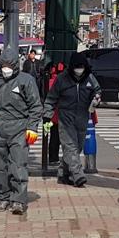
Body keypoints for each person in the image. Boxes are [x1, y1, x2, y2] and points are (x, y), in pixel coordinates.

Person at [0, 50, 42, 215]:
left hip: (19, 127)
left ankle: (18, 200)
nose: (6, 68)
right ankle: (2, 197)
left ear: (16, 66)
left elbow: (35, 106)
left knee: (18, 165)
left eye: (9, 65)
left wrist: (32, 127)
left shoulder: (26, 80)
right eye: (3, 65)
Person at [43, 53, 101, 187]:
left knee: (78, 146)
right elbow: (51, 98)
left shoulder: (90, 78)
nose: (79, 70)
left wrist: (96, 97)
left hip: (83, 116)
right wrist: (47, 116)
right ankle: (78, 174)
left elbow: (97, 90)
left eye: (81, 67)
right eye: (76, 67)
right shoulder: (62, 79)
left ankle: (63, 173)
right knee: (70, 146)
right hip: (66, 117)